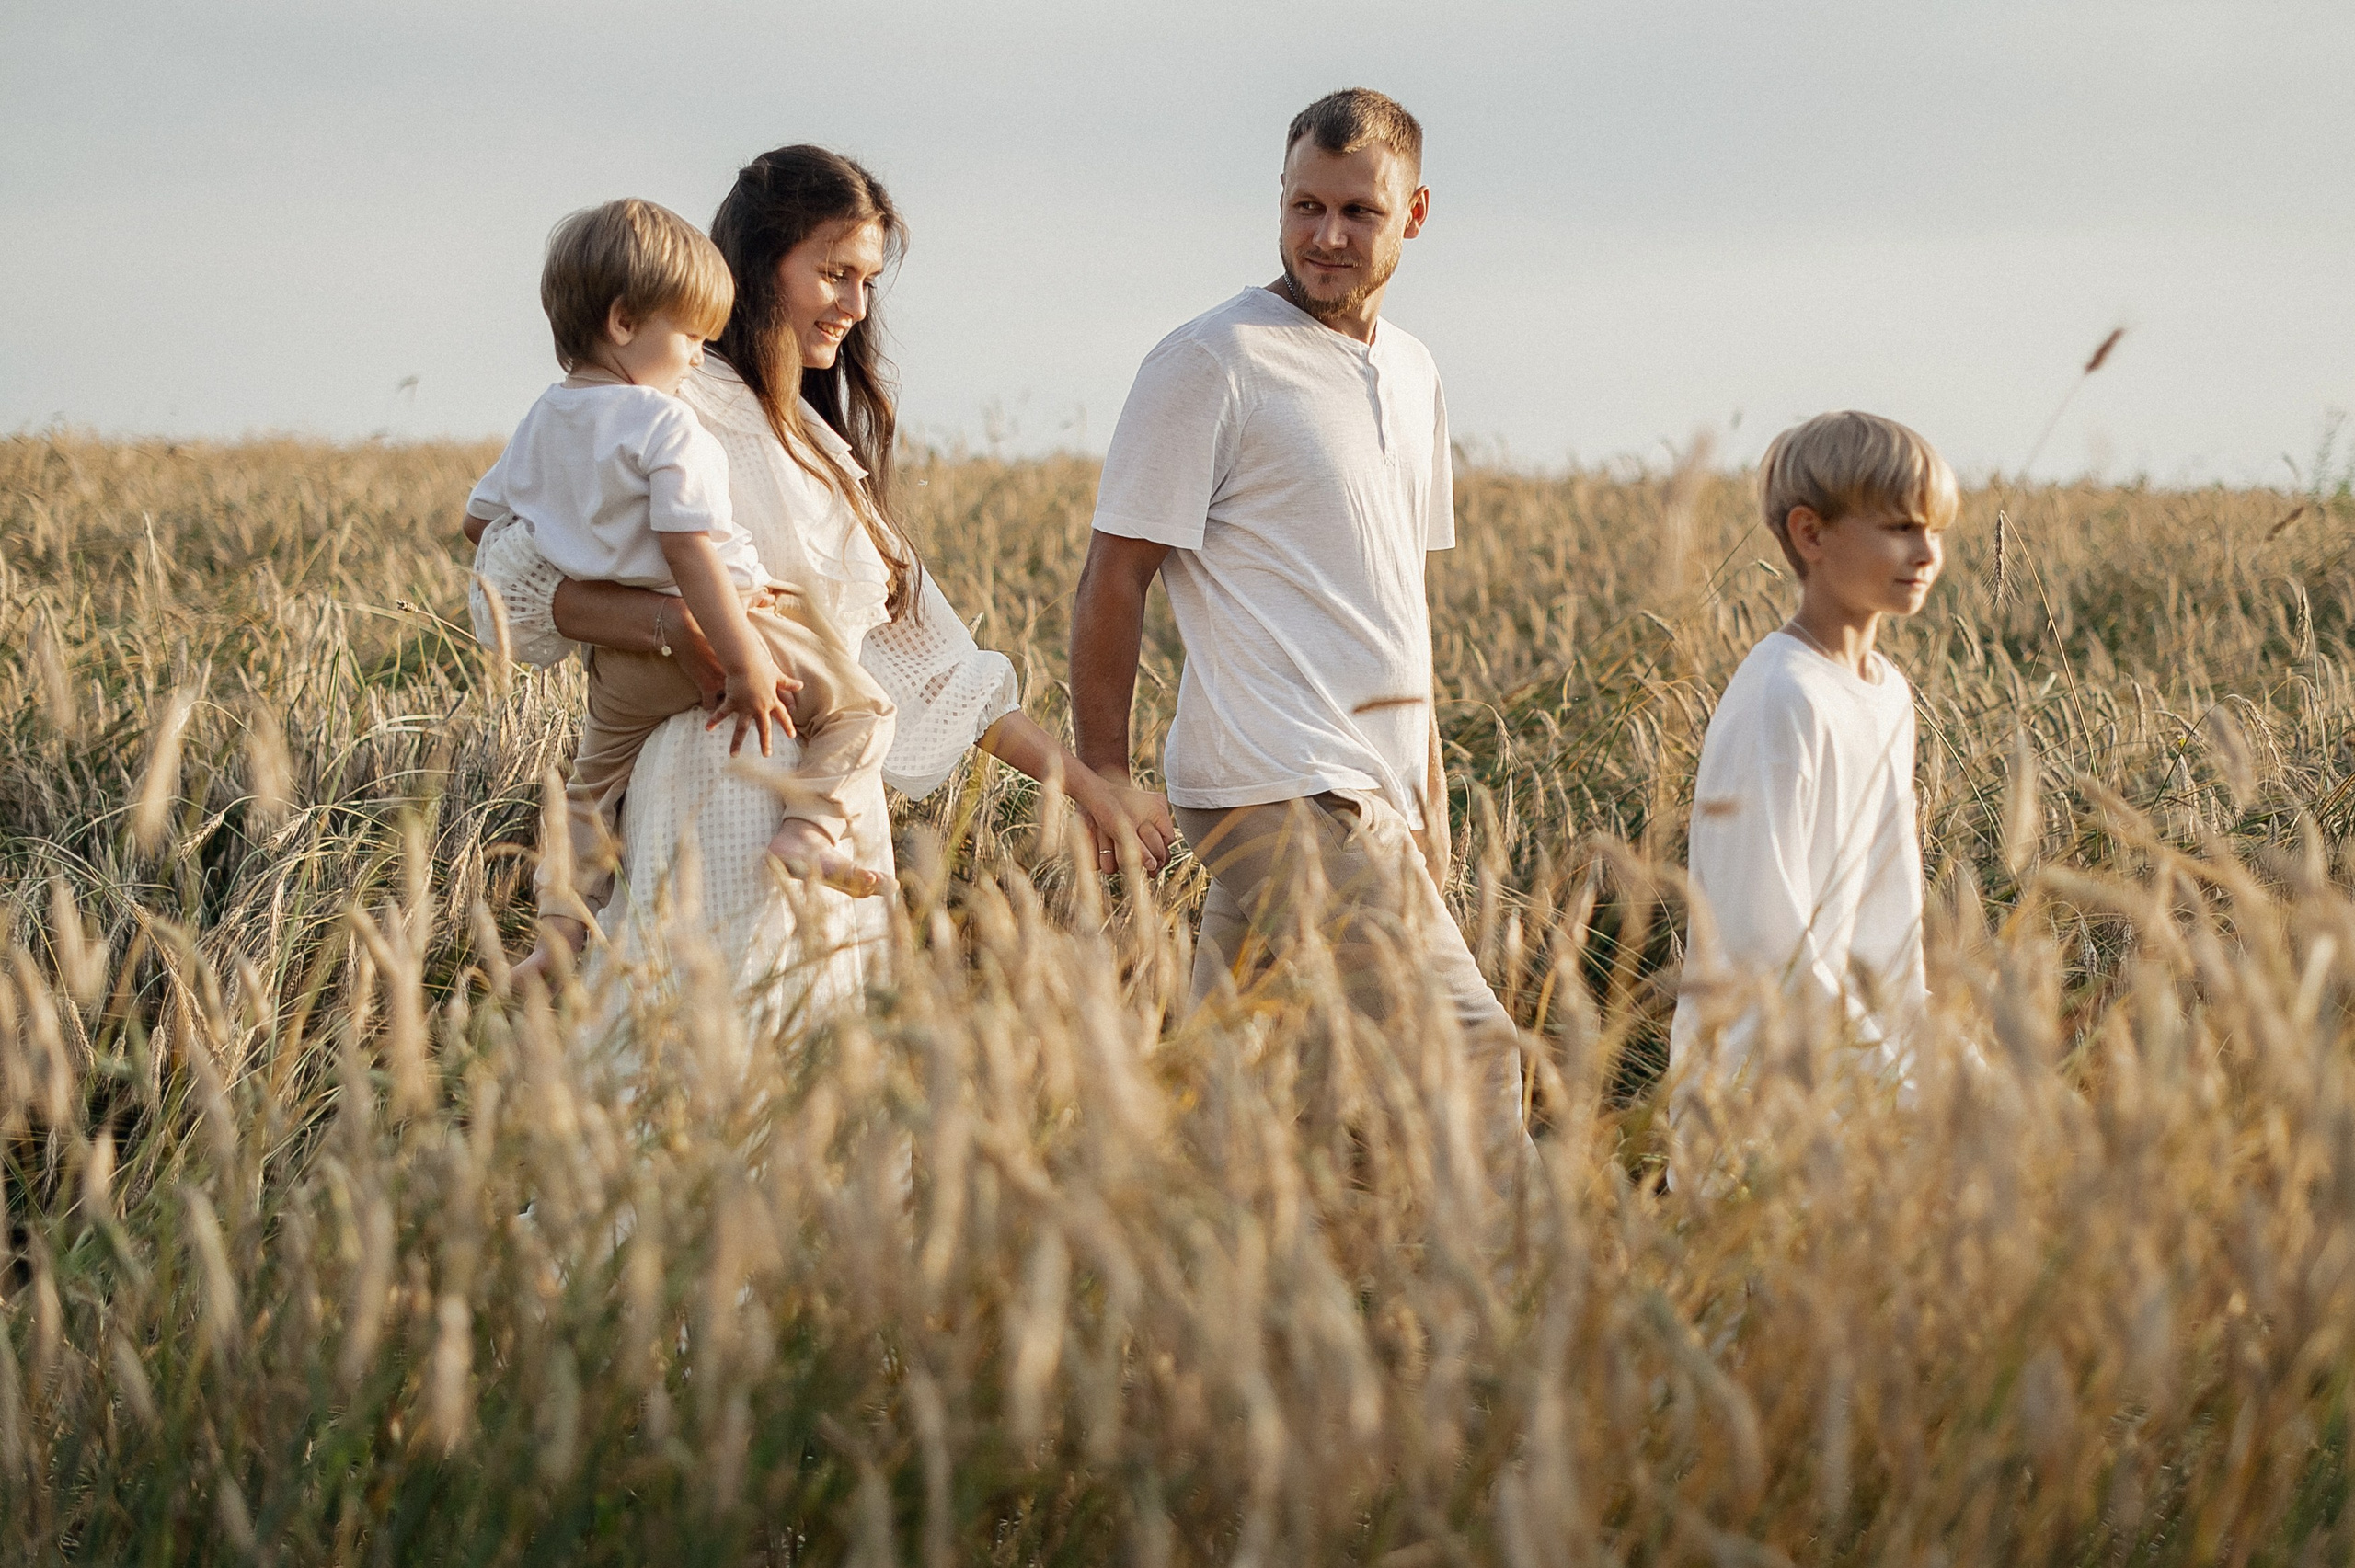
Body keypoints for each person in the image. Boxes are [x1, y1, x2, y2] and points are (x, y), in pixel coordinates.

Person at [473, 145, 1172, 1013]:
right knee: (705, 1049)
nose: (856, 305)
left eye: (868, 281)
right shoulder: (665, 403)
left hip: (830, 814)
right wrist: (675, 627)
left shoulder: (820, 448)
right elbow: (503, 582)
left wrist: (1087, 787)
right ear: (760, 265)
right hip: (713, 780)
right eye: (834, 273)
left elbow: (938, 673)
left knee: (814, 1062)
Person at [1069, 88, 1524, 1180]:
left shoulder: (1412, 373)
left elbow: (1392, 602)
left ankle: (1156, 1268)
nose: (1326, 236)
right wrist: (1103, 774)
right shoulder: (1211, 361)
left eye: (1358, 212)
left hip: (1365, 785)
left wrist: (1425, 793)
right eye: (1304, 207)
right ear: (1278, 199)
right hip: (1275, 779)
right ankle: (1524, 1289)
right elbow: (1114, 575)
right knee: (1472, 1050)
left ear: (1413, 216)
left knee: (1244, 1099)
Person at [465, 198, 895, 986]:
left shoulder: (540, 421)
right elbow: (688, 548)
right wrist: (743, 658)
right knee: (864, 709)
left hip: (619, 670)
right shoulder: (665, 423)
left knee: (589, 793)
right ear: (624, 322)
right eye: (692, 338)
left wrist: (582, 543)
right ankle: (808, 829)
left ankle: (557, 934)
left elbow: (480, 526)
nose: (698, 358)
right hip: (725, 632)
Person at [1669, 410, 1956, 1104]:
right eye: (1900, 527)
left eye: (1935, 530)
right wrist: (1904, 1093)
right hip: (1758, 1103)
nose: (1927, 552)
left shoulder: (1887, 693)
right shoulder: (1781, 698)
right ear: (1811, 533)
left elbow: (1890, 934)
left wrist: (1947, 1074)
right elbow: (1764, 946)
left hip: (1864, 1087)